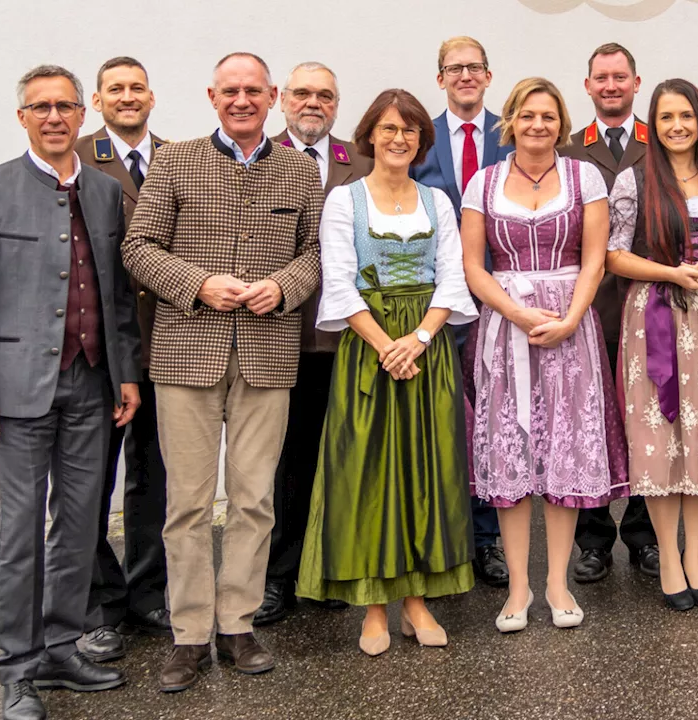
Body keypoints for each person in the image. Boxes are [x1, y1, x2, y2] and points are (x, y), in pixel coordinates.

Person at [121, 52, 323, 691]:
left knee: (254, 498)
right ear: (212, 96)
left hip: (266, 354)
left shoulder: (298, 169)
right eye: (230, 90)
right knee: (184, 503)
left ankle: (237, 623)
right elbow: (139, 247)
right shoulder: (177, 159)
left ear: (272, 98)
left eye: (253, 91)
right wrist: (199, 283)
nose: (242, 100)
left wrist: (285, 287)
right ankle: (187, 634)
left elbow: (317, 252)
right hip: (186, 352)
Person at [0, 64, 138, 720]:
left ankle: (62, 646)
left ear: (82, 116)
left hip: (91, 385)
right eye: (40, 107)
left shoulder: (106, 193)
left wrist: (126, 375)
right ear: (22, 116)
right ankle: (17, 668)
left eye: (65, 106)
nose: (54, 117)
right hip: (18, 391)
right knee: (21, 531)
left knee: (80, 525)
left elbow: (114, 298)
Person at [297, 89, 479, 656]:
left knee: (426, 471)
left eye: (410, 130)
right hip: (369, 347)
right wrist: (385, 345)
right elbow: (340, 280)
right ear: (369, 135)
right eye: (389, 129)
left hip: (425, 346)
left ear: (422, 140)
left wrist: (419, 339)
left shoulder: (437, 201)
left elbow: (453, 276)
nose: (399, 139)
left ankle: (418, 600)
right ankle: (374, 607)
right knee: (370, 474)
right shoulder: (343, 200)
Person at [463, 77, 629, 632]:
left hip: (570, 325)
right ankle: (517, 587)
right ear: (510, 120)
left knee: (564, 453)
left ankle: (557, 582)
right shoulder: (482, 184)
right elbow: (473, 267)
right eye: (528, 115)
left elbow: (594, 261)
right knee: (510, 456)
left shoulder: (586, 177)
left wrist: (572, 319)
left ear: (562, 123)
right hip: (506, 330)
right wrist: (516, 312)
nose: (539, 125)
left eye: (550, 117)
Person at [607, 78, 698, 611]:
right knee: (660, 438)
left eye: (686, 116)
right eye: (667, 116)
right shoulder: (633, 181)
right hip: (653, 318)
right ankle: (668, 557)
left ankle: (696, 556)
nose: (677, 126)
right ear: (654, 123)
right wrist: (672, 272)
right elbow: (614, 255)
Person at [256, 61, 373, 627]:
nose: (312, 103)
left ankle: (326, 571)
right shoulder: (260, 158)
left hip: (348, 341)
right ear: (282, 99)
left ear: (336, 103)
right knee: (283, 466)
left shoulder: (363, 164)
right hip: (276, 338)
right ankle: (278, 576)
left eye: (324, 95)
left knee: (339, 459)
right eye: (302, 93)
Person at [73, 55, 172, 664]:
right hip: (99, 349)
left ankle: (147, 592)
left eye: (137, 87)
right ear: (100, 100)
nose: (127, 97)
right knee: (89, 481)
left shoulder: (182, 155)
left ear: (152, 97)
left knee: (153, 479)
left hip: (164, 344)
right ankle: (98, 604)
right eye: (116, 89)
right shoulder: (77, 155)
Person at [410, 35, 513, 587]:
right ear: (441, 78)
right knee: (445, 422)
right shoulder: (417, 139)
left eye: (475, 66)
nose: (465, 75)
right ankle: (445, 537)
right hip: (437, 306)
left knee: (494, 421)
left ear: (489, 76)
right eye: (455, 68)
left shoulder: (514, 133)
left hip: (502, 302)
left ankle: (488, 538)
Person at [559, 42, 660, 584]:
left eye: (621, 77)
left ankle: (645, 536)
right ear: (588, 86)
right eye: (602, 78)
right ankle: (593, 539)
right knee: (588, 424)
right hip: (590, 310)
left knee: (647, 421)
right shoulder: (569, 150)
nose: (612, 85)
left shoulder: (661, 144)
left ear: (636, 82)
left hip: (651, 309)